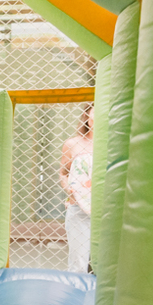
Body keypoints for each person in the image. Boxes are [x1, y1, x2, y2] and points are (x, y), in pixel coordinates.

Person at [60, 105, 94, 273]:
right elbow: (63, 173)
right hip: (79, 207)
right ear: (87, 116)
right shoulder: (72, 143)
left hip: (107, 209)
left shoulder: (114, 144)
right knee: (78, 262)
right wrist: (70, 189)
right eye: (93, 113)